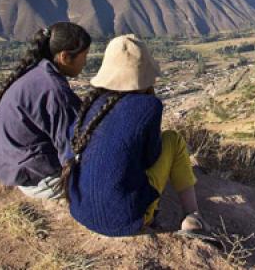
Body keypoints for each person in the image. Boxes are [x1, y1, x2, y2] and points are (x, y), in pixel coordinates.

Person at [59, 34, 207, 236]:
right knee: (173, 139)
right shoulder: (148, 106)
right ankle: (193, 214)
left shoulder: (90, 106)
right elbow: (151, 158)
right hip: (128, 218)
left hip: (81, 211)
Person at [0, 22, 91, 199]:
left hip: (12, 166)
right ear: (65, 57)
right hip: (38, 181)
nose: (85, 62)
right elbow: (74, 150)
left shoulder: (36, 74)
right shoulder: (55, 92)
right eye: (84, 56)